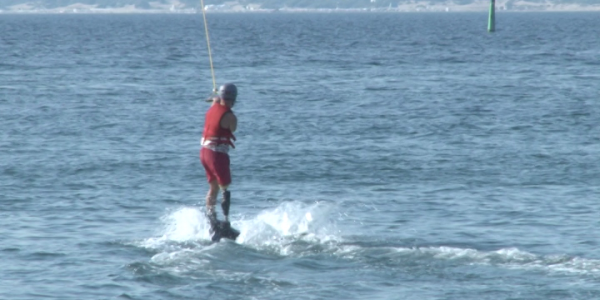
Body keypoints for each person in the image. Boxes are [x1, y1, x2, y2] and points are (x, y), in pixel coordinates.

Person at [200, 83, 238, 236]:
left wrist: (215, 97)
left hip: (204, 152)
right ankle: (226, 224)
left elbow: (212, 99)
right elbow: (233, 128)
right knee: (225, 187)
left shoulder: (214, 104)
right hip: (217, 155)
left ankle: (212, 220)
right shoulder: (230, 116)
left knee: (213, 187)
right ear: (234, 99)